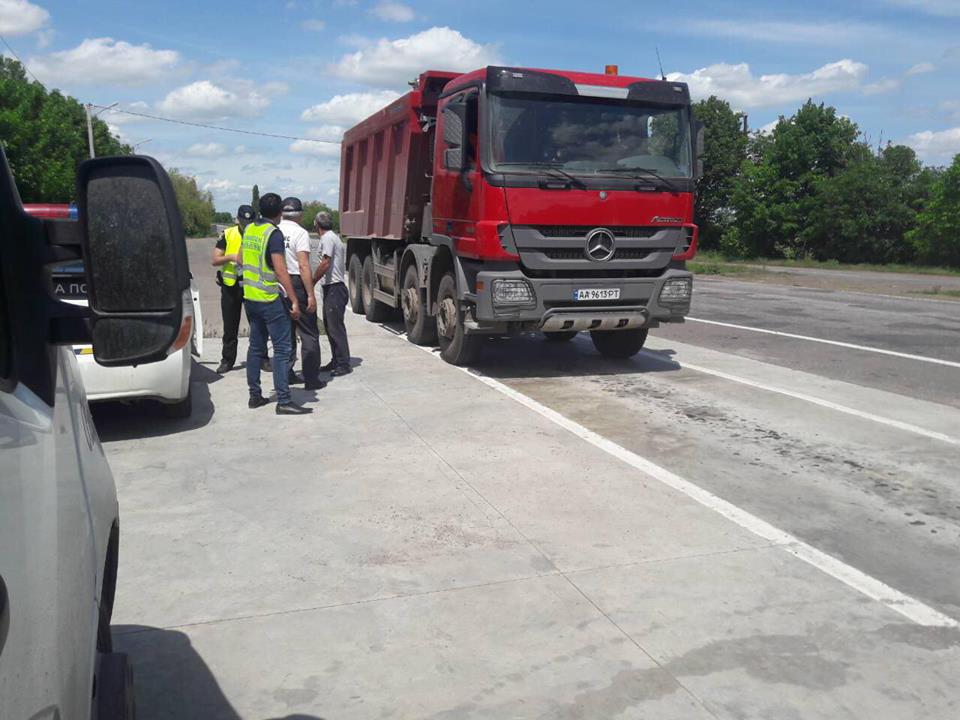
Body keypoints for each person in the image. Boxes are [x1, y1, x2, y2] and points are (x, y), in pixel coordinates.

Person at [241, 193, 313, 415]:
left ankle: (255, 395)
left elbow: (241, 259)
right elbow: (281, 271)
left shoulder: (250, 229)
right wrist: (293, 300)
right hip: (270, 299)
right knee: (282, 349)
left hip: (250, 297)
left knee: (256, 347)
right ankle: (283, 400)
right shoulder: (273, 234)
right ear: (280, 212)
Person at [279, 197, 324, 390]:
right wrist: (310, 294)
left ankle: (287, 373)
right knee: (309, 332)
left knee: (286, 332)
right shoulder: (300, 233)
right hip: (297, 282)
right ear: (300, 215)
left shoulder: (274, 230)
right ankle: (311, 378)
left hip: (279, 283)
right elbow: (304, 265)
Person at [210, 205, 254, 374]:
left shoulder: (257, 234)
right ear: (238, 220)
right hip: (231, 286)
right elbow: (215, 259)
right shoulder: (228, 234)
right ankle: (227, 360)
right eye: (243, 221)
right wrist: (231, 257)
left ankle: (262, 358)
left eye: (249, 222)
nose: (246, 224)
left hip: (251, 285)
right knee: (230, 326)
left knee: (257, 325)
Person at [313, 211, 351, 376]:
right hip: (331, 287)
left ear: (317, 224)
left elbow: (325, 263)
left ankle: (343, 363)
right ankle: (336, 359)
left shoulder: (328, 238)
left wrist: (312, 280)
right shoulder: (330, 237)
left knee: (335, 327)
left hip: (335, 288)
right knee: (329, 326)